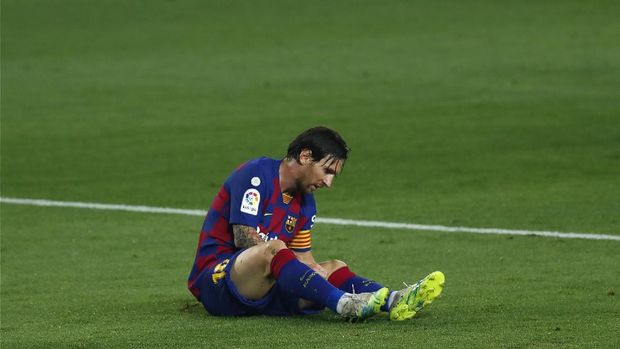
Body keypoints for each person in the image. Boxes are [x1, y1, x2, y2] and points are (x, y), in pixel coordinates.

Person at [188, 126, 444, 321]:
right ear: (306, 156)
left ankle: (394, 300)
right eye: (327, 171)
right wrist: (285, 260)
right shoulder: (256, 174)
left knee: (331, 267)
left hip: (263, 288)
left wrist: (318, 273)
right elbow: (243, 239)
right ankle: (345, 304)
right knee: (275, 249)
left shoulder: (305, 204)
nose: (329, 182)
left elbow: (304, 262)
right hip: (218, 281)